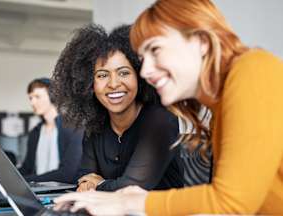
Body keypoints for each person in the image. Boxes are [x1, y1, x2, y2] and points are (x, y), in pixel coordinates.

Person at [53, 0, 283, 215]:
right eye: (143, 57)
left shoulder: (253, 71)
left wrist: (129, 201)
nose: (145, 71)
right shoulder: (220, 107)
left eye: (155, 50)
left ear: (202, 41)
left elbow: (231, 202)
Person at [52, 24, 186, 192]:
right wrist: (90, 185)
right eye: (102, 75)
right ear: (89, 84)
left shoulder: (161, 121)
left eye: (123, 73)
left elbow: (132, 188)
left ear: (140, 76)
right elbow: (84, 179)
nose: (114, 84)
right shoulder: (95, 126)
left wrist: (99, 184)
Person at [19, 78, 83, 183]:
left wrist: (26, 180)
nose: (32, 102)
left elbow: (67, 173)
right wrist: (4, 178)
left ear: (53, 96)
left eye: (37, 97)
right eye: (30, 98)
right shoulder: (35, 132)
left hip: (62, 193)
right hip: (38, 191)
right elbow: (27, 168)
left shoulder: (73, 128)